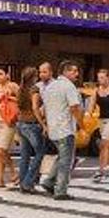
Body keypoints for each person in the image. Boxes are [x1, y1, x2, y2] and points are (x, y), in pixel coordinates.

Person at [41, 60, 83, 200]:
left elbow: (44, 108)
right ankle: (60, 190)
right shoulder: (69, 87)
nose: (76, 74)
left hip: (53, 128)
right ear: (65, 72)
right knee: (66, 161)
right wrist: (82, 126)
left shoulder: (50, 86)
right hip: (65, 128)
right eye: (73, 71)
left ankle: (49, 181)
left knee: (62, 157)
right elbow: (74, 107)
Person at [14, 66, 47, 194]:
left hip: (21, 123)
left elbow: (18, 108)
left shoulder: (20, 89)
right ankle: (28, 182)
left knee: (25, 155)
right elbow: (35, 108)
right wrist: (43, 124)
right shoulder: (34, 90)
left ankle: (23, 183)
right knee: (40, 152)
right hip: (32, 124)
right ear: (33, 77)